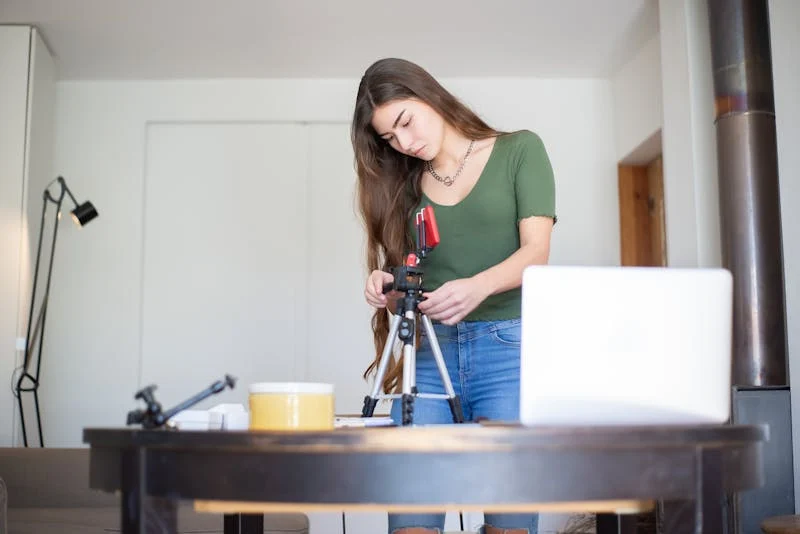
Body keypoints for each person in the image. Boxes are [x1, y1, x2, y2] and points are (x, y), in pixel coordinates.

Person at [350, 57, 556, 534]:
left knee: (510, 523)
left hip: (510, 352)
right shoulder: (404, 185)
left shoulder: (519, 151)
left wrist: (479, 286)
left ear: (430, 95)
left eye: (405, 122)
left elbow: (536, 253)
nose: (405, 143)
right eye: (389, 138)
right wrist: (388, 282)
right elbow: (415, 270)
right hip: (429, 355)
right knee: (412, 519)